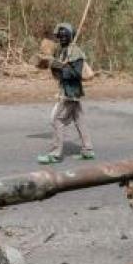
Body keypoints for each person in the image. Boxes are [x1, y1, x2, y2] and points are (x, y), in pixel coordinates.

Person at [39, 22, 96, 164]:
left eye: (64, 36)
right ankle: (88, 150)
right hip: (70, 91)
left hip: (71, 92)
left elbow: (76, 73)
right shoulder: (64, 50)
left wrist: (60, 66)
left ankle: (55, 153)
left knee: (57, 120)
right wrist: (52, 64)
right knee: (80, 120)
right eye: (60, 36)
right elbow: (59, 71)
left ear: (70, 37)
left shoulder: (75, 52)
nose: (61, 38)